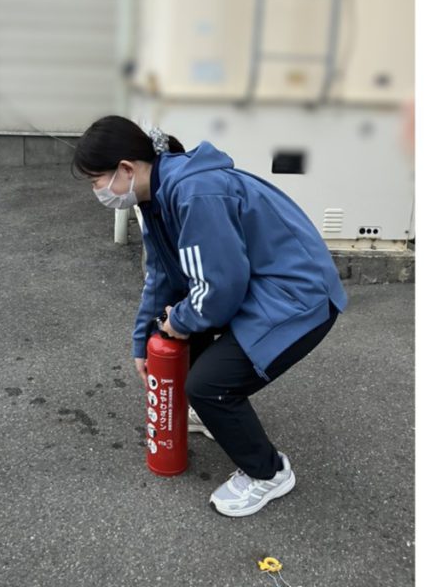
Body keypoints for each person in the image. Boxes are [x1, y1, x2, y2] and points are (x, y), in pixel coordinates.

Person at [73, 115, 348, 516]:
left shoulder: (194, 192)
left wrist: (177, 322)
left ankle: (268, 473)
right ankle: (208, 414)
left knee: (208, 383)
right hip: (262, 287)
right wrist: (142, 342)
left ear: (126, 170)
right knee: (178, 331)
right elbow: (163, 275)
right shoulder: (155, 195)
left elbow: (219, 288)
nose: (97, 191)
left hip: (299, 297)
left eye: (96, 180)